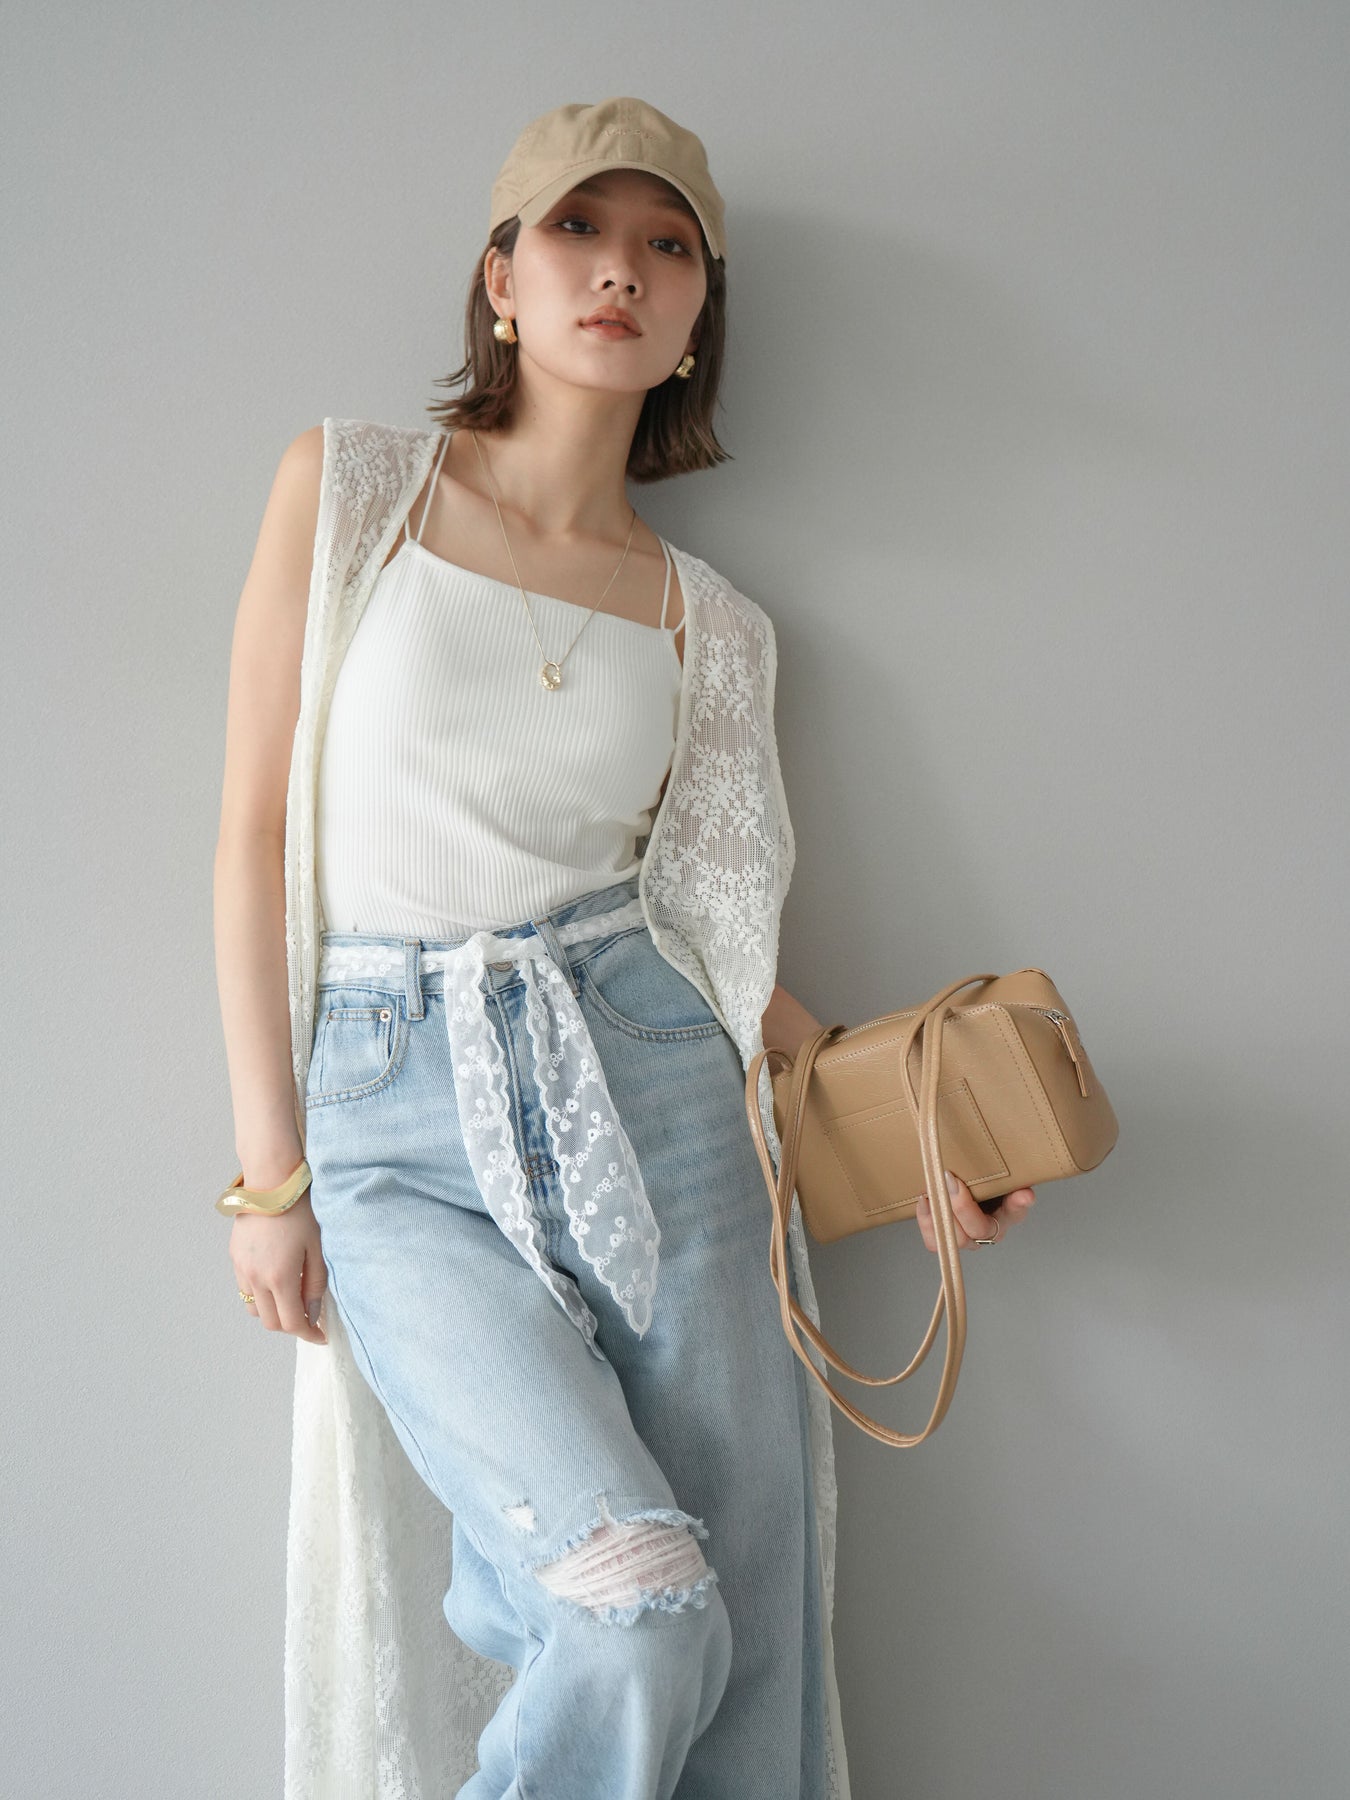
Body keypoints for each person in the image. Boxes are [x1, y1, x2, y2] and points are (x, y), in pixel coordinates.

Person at [213, 96, 1035, 1800]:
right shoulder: (350, 488)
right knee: (638, 1610)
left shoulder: (709, 626)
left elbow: (718, 943)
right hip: (396, 1131)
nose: (620, 273)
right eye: (577, 230)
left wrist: (915, 1132)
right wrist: (268, 1179)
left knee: (749, 1661)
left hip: (661, 1097)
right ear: (499, 280)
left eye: (667, 248)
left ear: (694, 321)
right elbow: (249, 837)